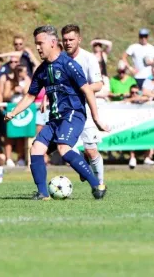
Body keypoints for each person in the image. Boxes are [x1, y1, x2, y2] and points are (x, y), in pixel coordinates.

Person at [4, 25, 107, 200]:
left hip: (73, 115)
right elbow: (30, 96)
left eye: (40, 43)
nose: (37, 47)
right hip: (55, 119)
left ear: (52, 43)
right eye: (36, 44)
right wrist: (14, 112)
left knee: (63, 148)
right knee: (36, 148)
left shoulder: (69, 65)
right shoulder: (42, 70)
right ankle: (43, 193)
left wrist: (96, 119)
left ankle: (97, 185)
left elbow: (88, 90)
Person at [61, 25, 107, 195]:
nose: (67, 43)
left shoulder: (89, 58)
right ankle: (84, 167)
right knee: (64, 148)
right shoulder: (59, 59)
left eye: (71, 39)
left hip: (84, 108)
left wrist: (81, 88)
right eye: (65, 40)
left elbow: (99, 84)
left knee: (91, 149)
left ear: (79, 39)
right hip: (64, 111)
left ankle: (100, 184)